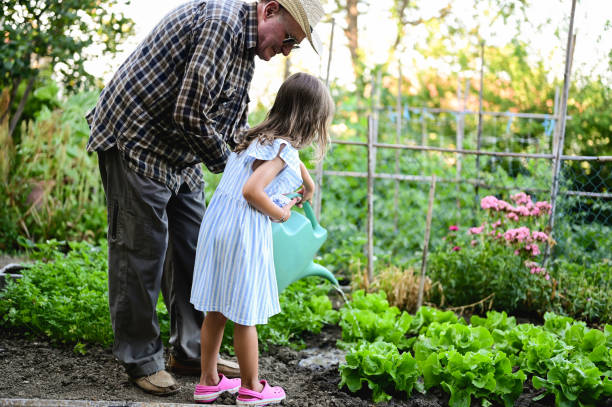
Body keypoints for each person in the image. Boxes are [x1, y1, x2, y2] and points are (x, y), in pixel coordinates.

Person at [85, 0, 326, 396]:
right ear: (269, 10)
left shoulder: (245, 51)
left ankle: (192, 351)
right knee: (141, 252)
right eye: (287, 39)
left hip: (179, 153)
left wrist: (267, 157)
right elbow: (191, 114)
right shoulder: (221, 24)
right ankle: (142, 360)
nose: (285, 51)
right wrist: (239, 169)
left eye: (293, 47)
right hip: (137, 141)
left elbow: (231, 122)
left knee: (194, 248)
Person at [189, 72, 334, 405]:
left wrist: (306, 190)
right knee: (246, 312)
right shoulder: (283, 150)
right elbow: (252, 190)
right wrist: (281, 213)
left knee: (217, 308)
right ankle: (252, 387)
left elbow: (296, 173)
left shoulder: (258, 137)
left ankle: (208, 380)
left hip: (217, 226)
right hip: (244, 229)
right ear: (311, 119)